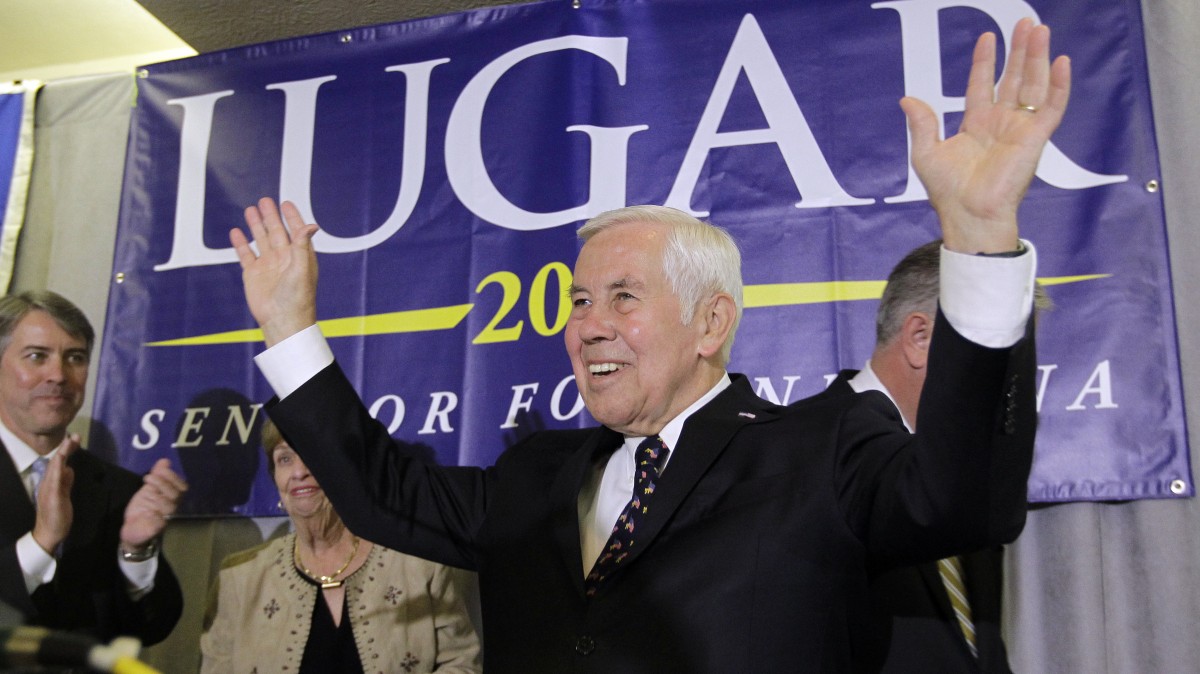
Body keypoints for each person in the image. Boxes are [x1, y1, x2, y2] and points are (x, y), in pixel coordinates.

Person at [230, 18, 1066, 672]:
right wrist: (288, 326)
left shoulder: (825, 449)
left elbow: (966, 502)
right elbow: (379, 492)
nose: (587, 323)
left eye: (623, 298)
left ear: (712, 323)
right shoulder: (533, 478)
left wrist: (982, 239)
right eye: (580, 299)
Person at [821, 240, 1047, 673]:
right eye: (995, 357)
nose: (1008, 382)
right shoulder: (804, 447)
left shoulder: (970, 471)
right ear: (920, 338)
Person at [199, 417, 481, 673]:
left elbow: (462, 664)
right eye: (285, 459)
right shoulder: (238, 578)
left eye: (311, 455)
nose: (299, 472)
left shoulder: (418, 563)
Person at [0, 290, 185, 646]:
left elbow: (152, 627)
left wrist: (136, 552)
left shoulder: (120, 489)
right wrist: (42, 543)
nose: (58, 374)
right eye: (37, 356)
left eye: (75, 358)